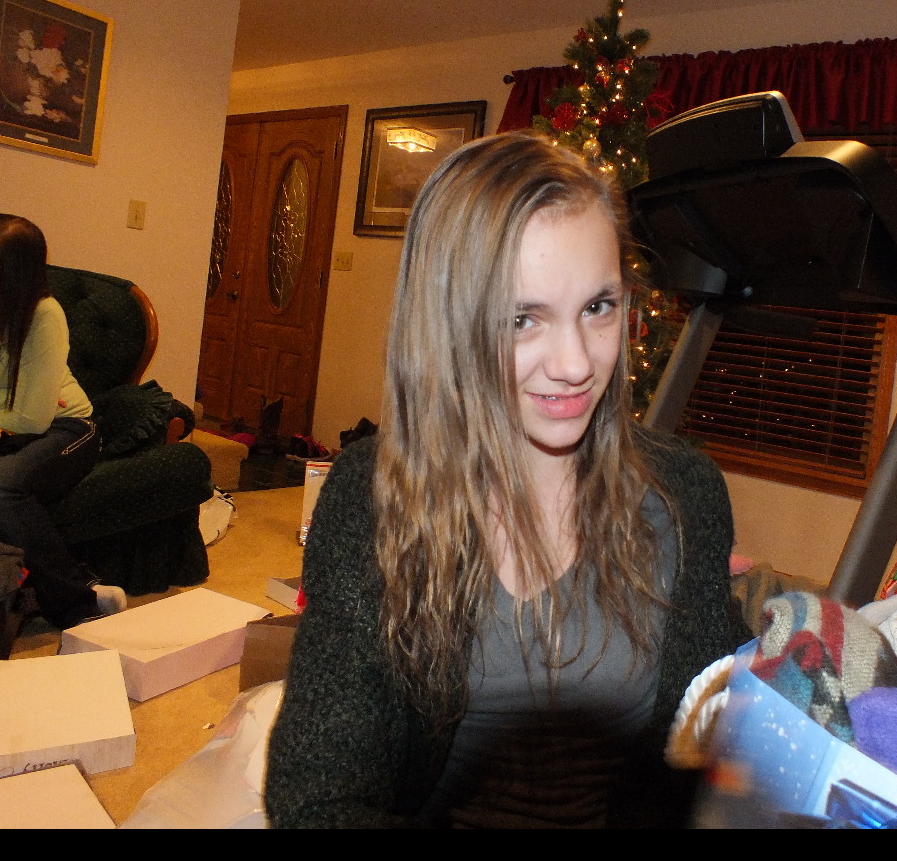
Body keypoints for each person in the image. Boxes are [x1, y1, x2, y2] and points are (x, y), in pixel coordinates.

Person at [265, 131, 750, 828]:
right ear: (448, 325)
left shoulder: (684, 495)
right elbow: (317, 799)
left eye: (598, 307)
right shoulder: (372, 497)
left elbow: (710, 754)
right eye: (523, 319)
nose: (576, 363)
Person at [0, 213, 126, 629]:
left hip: (63, 426)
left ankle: (78, 609)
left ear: (9, 278)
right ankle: (48, 586)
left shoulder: (42, 315)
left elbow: (31, 418)